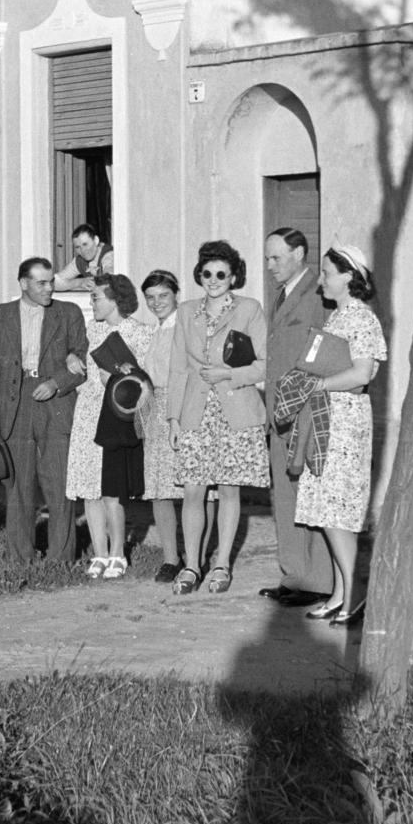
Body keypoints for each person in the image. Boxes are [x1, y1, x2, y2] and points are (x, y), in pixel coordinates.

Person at [166, 240, 268, 595]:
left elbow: (263, 365)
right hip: (195, 412)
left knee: (228, 490)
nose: (213, 280)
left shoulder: (249, 309)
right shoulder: (186, 311)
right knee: (192, 491)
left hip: (236, 411)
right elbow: (177, 367)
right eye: (207, 273)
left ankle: (221, 563)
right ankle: (192, 565)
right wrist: (174, 419)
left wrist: (227, 374)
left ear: (233, 275)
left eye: (221, 274)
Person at [298, 245, 388, 628]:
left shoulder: (362, 319)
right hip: (326, 418)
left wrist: (317, 387)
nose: (321, 279)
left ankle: (355, 595)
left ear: (349, 277)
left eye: (327, 273)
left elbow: (361, 374)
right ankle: (339, 593)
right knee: (326, 509)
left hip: (346, 422)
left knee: (338, 511)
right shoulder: (337, 318)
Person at [0, 257, 89, 565]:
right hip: (13, 407)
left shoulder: (68, 313)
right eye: (41, 282)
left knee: (59, 487)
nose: (49, 288)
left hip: (55, 404)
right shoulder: (0, 315)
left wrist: (57, 382)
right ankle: (21, 557)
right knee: (18, 489)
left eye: (51, 281)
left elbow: (82, 362)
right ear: (24, 283)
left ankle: (61, 559)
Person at [258, 227, 334, 608]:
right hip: (278, 414)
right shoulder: (280, 295)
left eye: (277, 258)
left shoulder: (318, 294)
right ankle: (295, 575)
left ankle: (319, 580)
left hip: (304, 410)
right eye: (267, 258)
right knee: (285, 498)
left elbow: (323, 354)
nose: (270, 265)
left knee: (311, 495)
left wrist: (299, 400)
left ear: (300, 253)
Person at [65, 274, 152, 578]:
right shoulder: (90, 330)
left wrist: (128, 373)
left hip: (116, 416)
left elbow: (146, 381)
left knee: (112, 491)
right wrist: (71, 358)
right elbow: (74, 355)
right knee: (90, 489)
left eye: (96, 298)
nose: (92, 303)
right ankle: (99, 554)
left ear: (115, 299)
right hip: (88, 413)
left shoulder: (140, 333)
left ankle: (118, 554)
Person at [138, 270, 205, 583]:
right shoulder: (156, 330)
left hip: (185, 409)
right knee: (159, 488)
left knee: (197, 487)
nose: (156, 303)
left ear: (176, 294)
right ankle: (170, 558)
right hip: (155, 412)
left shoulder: (187, 325)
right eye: (150, 297)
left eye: (163, 296)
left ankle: (198, 557)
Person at [53, 223, 116, 292]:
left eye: (85, 244)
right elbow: (53, 282)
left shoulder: (109, 255)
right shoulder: (79, 261)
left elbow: (109, 281)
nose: (83, 250)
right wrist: (79, 282)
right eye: (78, 247)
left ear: (96, 240)